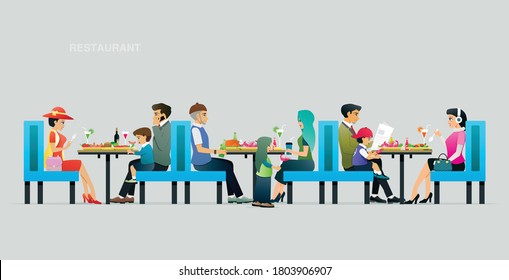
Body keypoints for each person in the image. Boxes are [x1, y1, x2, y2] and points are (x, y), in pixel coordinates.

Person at [189, 102, 253, 204]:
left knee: (229, 164)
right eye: (204, 114)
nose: (207, 117)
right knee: (227, 166)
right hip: (201, 163)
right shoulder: (195, 130)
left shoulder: (200, 128)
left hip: (206, 160)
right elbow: (200, 149)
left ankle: (231, 195)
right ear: (197, 116)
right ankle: (239, 196)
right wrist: (216, 151)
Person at [338, 103, 400, 203]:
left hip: (356, 160)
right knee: (376, 165)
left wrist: (372, 146)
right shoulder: (343, 129)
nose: (358, 118)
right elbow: (347, 149)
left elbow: (358, 144)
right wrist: (367, 151)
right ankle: (389, 196)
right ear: (348, 113)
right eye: (356, 114)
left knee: (377, 161)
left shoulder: (349, 128)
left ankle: (375, 195)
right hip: (351, 164)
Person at [111, 103, 172, 204]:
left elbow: (161, 145)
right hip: (155, 161)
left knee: (134, 166)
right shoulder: (162, 127)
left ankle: (121, 196)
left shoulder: (167, 128)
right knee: (131, 163)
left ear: (163, 115)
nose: (154, 116)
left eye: (156, 114)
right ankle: (130, 196)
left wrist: (154, 126)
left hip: (160, 165)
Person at [405, 108, 467, 204]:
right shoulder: (455, 132)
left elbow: (458, 153)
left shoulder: (461, 134)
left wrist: (447, 161)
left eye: (450, 119)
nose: (448, 121)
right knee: (429, 168)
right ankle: (427, 195)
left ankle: (414, 194)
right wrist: (440, 136)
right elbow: (448, 146)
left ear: (459, 120)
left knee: (430, 162)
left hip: (457, 165)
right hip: (451, 162)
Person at [42, 106, 101, 204]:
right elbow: (53, 149)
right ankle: (92, 193)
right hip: (54, 165)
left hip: (58, 162)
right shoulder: (52, 133)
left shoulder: (55, 133)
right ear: (55, 122)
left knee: (80, 167)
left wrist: (65, 146)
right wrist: (66, 147)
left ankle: (87, 193)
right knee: (79, 163)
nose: (63, 125)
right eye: (62, 122)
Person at [272, 110, 316, 203]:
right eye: (298, 120)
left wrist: (291, 151)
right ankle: (279, 193)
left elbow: (304, 153)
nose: (298, 122)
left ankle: (276, 195)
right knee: (284, 166)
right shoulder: (307, 133)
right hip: (304, 163)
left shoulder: (306, 135)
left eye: (300, 120)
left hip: (307, 164)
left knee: (284, 165)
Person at [252, 137, 281, 208]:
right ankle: (265, 202)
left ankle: (257, 201)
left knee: (259, 188)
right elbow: (266, 164)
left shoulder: (259, 154)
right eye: (271, 144)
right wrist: (275, 167)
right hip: (265, 175)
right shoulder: (263, 155)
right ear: (266, 146)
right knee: (265, 189)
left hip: (260, 174)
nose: (273, 146)